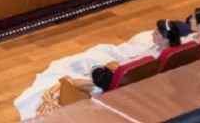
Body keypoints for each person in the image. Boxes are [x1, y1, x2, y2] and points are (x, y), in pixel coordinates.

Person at [14, 20, 189, 120]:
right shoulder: (171, 51)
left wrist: (101, 74)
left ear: (166, 39)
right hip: (120, 71)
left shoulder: (152, 59)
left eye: (157, 34)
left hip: (112, 82)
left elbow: (123, 73)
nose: (152, 35)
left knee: (66, 72)